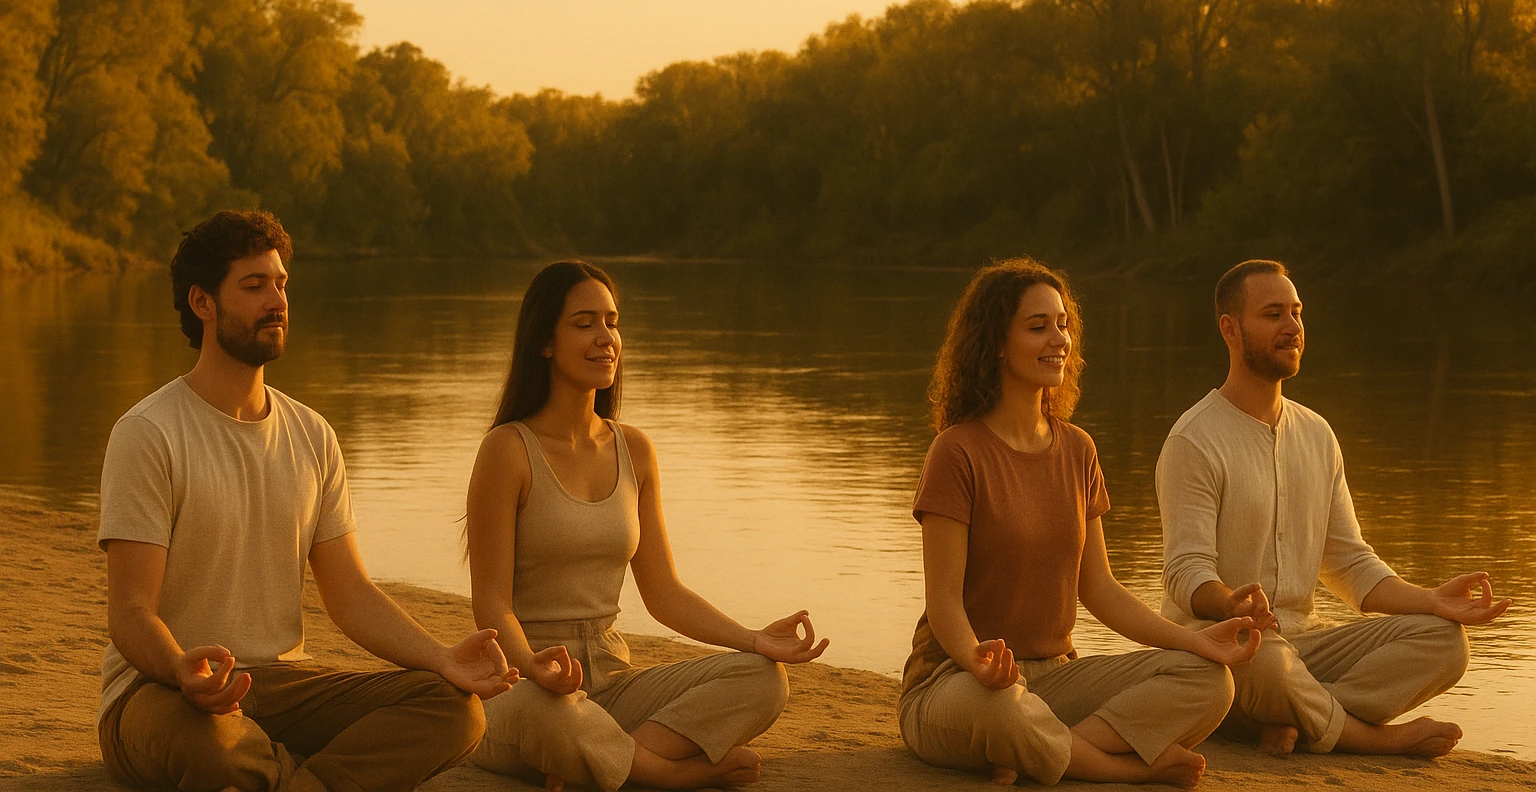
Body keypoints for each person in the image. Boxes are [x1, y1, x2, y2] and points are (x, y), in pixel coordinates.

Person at [97, 210, 517, 792]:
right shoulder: (149, 432)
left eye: (281, 284)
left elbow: (350, 593)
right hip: (159, 693)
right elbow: (131, 612)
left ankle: (293, 783)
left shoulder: (311, 433)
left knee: (453, 709)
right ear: (203, 303)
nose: (277, 300)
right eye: (254, 286)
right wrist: (180, 670)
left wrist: (442, 657)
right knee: (214, 744)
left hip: (279, 686)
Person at [899, 257, 1262, 789]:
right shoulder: (956, 451)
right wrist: (978, 663)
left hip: (1053, 677)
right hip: (954, 681)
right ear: (997, 343)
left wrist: (1199, 642)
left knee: (1211, 682)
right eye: (1038, 326)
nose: (1059, 340)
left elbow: (1101, 589)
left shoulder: (1077, 449)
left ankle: (1042, 750)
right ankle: (1119, 769)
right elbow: (944, 604)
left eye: (1063, 324)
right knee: (1003, 711)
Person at [465, 260, 827, 791]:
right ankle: (664, 774)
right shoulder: (507, 450)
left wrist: (753, 639)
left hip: (612, 685)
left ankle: (604, 760)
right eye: (584, 323)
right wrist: (532, 664)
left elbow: (665, 592)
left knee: (762, 679)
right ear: (544, 341)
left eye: (612, 322)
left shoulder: (634, 450)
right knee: (557, 718)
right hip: (525, 684)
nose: (605, 338)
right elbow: (491, 603)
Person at [1156, 259, 1510, 758]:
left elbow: (1350, 564)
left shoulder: (1317, 434)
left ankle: (1295, 720)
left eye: (1296, 313)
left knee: (1446, 643)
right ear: (1230, 329)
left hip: (1309, 648)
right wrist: (1233, 604)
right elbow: (1184, 573)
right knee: (1264, 661)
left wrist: (1430, 600)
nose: (1292, 327)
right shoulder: (1193, 440)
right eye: (1273, 314)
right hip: (1225, 647)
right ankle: (1365, 737)